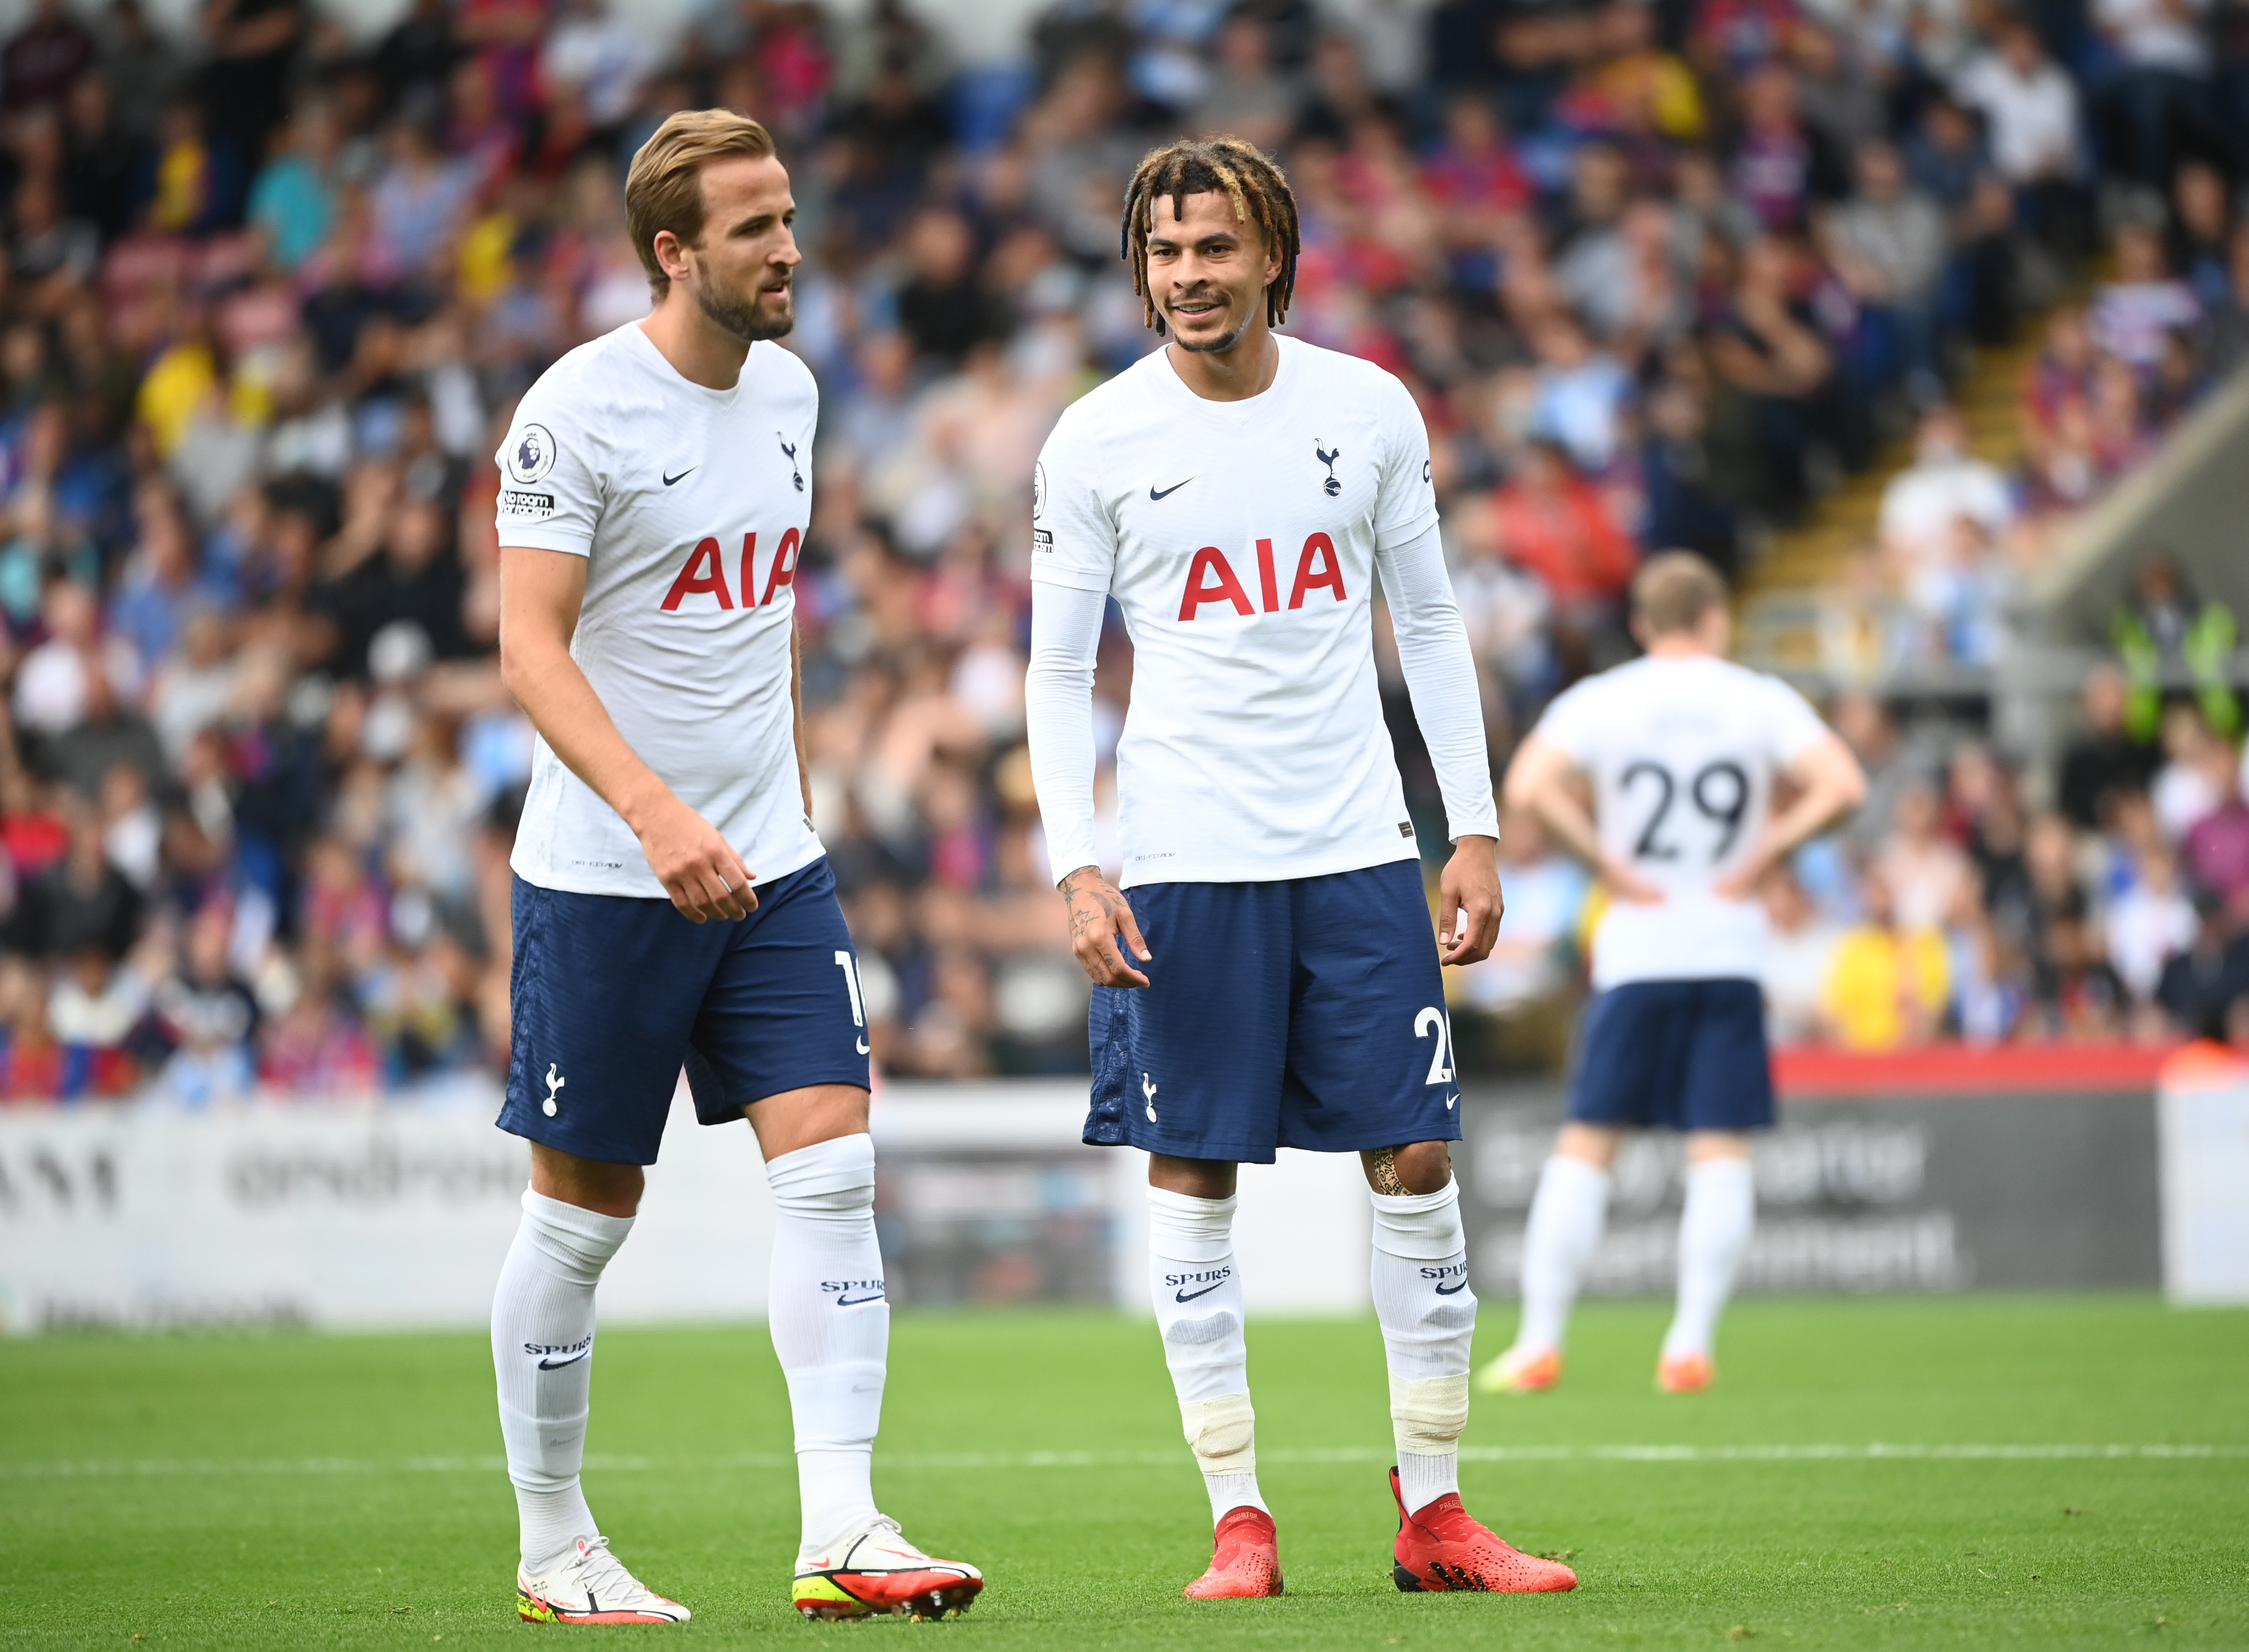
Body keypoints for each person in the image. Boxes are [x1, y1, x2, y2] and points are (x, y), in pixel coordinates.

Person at [1024, 136, 1576, 1601]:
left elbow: (1435, 623)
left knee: (1418, 1158)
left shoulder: (1369, 407)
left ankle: (1438, 1509)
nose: (1189, 277)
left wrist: (1476, 825)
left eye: (1215, 249)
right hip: (1187, 857)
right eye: (1165, 253)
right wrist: (1075, 863)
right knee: (1193, 1168)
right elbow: (1057, 669)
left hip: (1355, 846)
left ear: (1273, 251)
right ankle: (1238, 1518)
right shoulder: (1095, 439)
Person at [488, 110, 981, 1628]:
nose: (791, 248)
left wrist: (775, 812)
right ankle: (553, 1545)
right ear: (671, 250)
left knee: (835, 1169)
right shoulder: (575, 412)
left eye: (788, 215)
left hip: (772, 864)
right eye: (756, 227)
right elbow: (526, 646)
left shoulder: (793, 392)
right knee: (582, 1218)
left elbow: (743, 635)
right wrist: (653, 812)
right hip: (608, 870)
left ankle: (843, 1525)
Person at [1478, 553, 1866, 1397]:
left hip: (1639, 951)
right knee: (1718, 1149)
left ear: (1644, 625)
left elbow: (1529, 784)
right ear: (1718, 617)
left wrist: (1605, 862)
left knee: (1588, 1144)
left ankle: (1542, 1341)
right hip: (1728, 947)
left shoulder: (1603, 700)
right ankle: (1689, 1345)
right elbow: (1843, 784)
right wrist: (1770, 848)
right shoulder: (1758, 698)